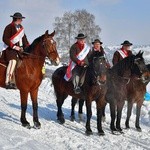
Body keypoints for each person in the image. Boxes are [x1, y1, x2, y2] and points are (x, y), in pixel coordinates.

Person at [2, 12, 29, 89]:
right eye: (20, 19)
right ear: (16, 19)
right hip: (10, 49)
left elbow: (25, 40)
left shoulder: (21, 28)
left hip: (20, 50)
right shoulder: (9, 27)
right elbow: (5, 39)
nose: (21, 21)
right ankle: (8, 82)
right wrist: (14, 47)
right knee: (13, 61)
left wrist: (28, 47)